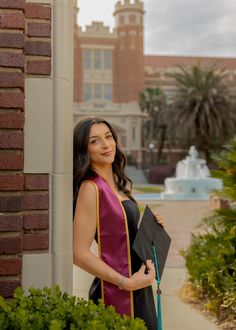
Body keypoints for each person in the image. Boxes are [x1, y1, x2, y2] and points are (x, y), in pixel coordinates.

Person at [73, 117, 162, 330]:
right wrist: (125, 283)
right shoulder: (91, 188)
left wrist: (152, 230)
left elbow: (124, 237)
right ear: (84, 150)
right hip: (116, 291)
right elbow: (78, 253)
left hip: (140, 287)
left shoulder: (118, 188)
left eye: (108, 137)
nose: (105, 145)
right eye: (94, 141)